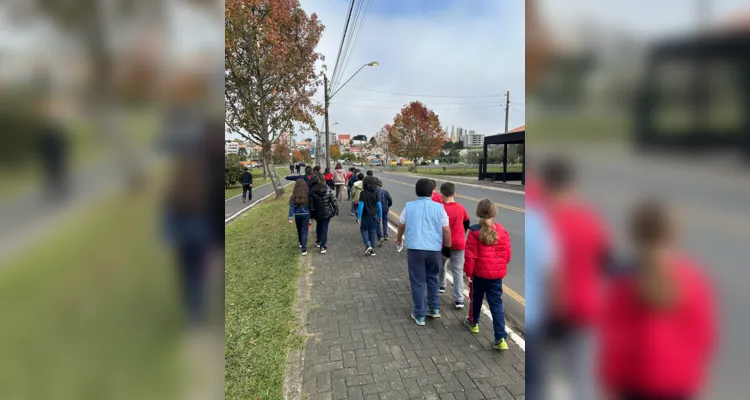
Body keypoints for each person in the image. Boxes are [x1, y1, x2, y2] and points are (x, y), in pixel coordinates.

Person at [599, 200, 716, 400]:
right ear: (673, 234)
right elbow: (705, 338)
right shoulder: (694, 280)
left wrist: (610, 389)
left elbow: (616, 346)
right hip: (680, 384)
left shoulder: (625, 284)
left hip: (634, 386)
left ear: (635, 235)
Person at [541, 156, 611, 400]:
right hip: (585, 307)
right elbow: (605, 262)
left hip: (552, 310)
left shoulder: (544, 221)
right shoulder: (591, 219)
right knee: (577, 372)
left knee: (548, 376)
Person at [395, 178, 451, 326]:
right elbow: (446, 229)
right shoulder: (440, 208)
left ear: (416, 191)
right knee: (433, 278)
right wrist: (448, 247)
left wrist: (399, 239)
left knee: (418, 281)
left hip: (415, 248)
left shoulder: (409, 207)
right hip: (434, 249)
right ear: (432, 192)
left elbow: (401, 226)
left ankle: (419, 314)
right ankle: (434, 309)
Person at [463, 199, 512, 351]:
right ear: (494, 213)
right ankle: (500, 338)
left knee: (476, 299)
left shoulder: (475, 232)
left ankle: (473, 322)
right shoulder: (502, 231)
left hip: (479, 275)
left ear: (478, 212)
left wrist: (468, 273)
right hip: (496, 277)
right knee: (496, 304)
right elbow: (507, 255)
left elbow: (470, 256)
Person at [438, 182, 471, 308]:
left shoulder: (441, 208)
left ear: (442, 194)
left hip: (444, 244)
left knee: (442, 265)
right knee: (457, 271)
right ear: (454, 193)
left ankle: (441, 285)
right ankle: (459, 299)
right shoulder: (461, 208)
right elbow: (467, 222)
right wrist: (461, 233)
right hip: (459, 243)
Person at [309, 173, 338, 254]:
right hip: (327, 211)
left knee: (319, 225)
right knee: (324, 228)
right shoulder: (327, 188)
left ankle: (318, 241)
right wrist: (336, 209)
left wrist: (312, 214)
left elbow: (311, 204)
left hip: (317, 212)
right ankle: (323, 246)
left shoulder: (312, 190)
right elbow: (333, 200)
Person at [357, 176, 383, 256]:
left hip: (365, 216)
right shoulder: (375, 192)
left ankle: (368, 245)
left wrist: (359, 217)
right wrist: (380, 216)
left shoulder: (363, 193)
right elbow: (379, 206)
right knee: (373, 232)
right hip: (374, 215)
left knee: (363, 229)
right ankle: (373, 251)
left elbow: (361, 205)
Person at [288, 179, 311, 255]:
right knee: (304, 230)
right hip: (306, 214)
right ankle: (304, 249)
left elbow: (291, 206)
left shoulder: (294, 196)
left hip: (297, 215)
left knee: (299, 229)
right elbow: (310, 205)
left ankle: (301, 243)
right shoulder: (307, 194)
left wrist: (290, 217)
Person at [375, 179, 393, 244]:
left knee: (378, 222)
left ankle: (380, 236)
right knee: (385, 221)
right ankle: (385, 234)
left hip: (377, 209)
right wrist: (388, 205)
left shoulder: (375, 192)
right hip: (385, 208)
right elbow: (390, 200)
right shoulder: (385, 192)